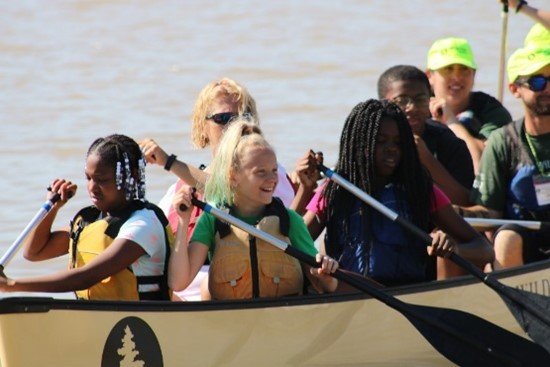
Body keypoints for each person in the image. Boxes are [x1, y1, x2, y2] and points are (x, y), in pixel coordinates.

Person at [303, 99, 494, 286]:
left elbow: (485, 250)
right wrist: (304, 189)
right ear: (359, 145)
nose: (392, 150)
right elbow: (296, 240)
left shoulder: (420, 189)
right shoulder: (335, 191)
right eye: (381, 142)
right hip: (351, 295)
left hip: (409, 295)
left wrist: (455, 249)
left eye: (398, 142)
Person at [140, 77, 297, 300]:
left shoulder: (270, 174)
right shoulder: (178, 189)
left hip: (240, 292)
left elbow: (224, 190)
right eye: (223, 119)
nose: (234, 126)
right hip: (183, 302)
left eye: (242, 118)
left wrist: (169, 162)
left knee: (208, 288)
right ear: (203, 128)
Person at [169, 119, 339, 299]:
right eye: (261, 172)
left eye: (274, 170)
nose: (272, 179)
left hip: (283, 320)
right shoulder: (212, 220)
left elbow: (327, 287)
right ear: (233, 177)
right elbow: (179, 283)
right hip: (232, 321)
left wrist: (326, 274)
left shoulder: (290, 221)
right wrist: (183, 220)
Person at [0, 134, 172, 300]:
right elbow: (34, 252)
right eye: (88, 178)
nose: (92, 187)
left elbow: (86, 277)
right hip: (102, 321)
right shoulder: (92, 221)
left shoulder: (143, 224)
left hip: (139, 325)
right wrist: (53, 207)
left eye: (101, 180)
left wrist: (11, 285)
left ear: (132, 176)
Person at [470, 45, 550, 269]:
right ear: (515, 89)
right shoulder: (502, 141)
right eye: (538, 82)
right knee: (505, 239)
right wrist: (450, 214)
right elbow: (489, 211)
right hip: (526, 238)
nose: (548, 88)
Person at [378, 65, 474, 206]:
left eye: (420, 99)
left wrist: (426, 158)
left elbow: (465, 202)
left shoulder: (448, 142)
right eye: (401, 101)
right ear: (382, 103)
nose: (412, 107)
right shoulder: (370, 141)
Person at [426, 37, 512, 174]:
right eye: (448, 69)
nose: (457, 77)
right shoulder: (417, 109)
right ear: (430, 75)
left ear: (474, 74)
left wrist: (451, 121)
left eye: (464, 69)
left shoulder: (492, 111)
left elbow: (483, 168)